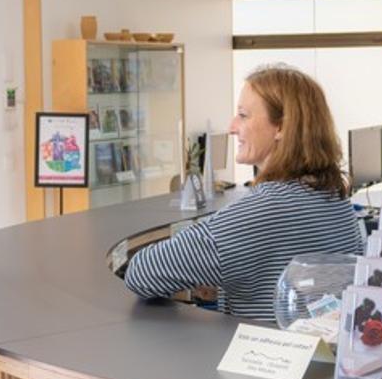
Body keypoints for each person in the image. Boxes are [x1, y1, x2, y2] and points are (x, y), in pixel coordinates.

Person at [124, 65, 364, 322]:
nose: (231, 127)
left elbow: (141, 273)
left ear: (281, 127)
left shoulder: (262, 212)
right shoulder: (334, 198)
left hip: (264, 356)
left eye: (243, 115)